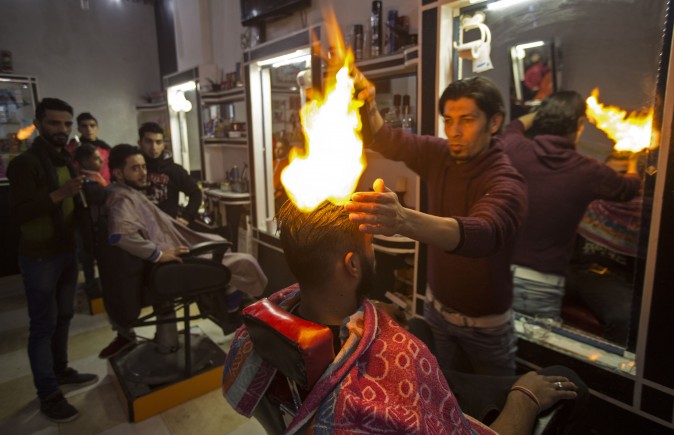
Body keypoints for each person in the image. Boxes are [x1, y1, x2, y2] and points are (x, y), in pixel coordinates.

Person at [222, 200, 579, 434]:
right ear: (351, 264)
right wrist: (524, 397)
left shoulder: (263, 325)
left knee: (425, 333)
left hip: (409, 381)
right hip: (412, 386)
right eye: (370, 245)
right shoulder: (401, 360)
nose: (373, 251)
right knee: (563, 377)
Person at [346, 75, 528, 376]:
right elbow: (385, 138)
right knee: (439, 396)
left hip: (486, 328)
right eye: (449, 120)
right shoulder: (440, 154)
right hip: (436, 313)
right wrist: (367, 103)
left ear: (494, 123)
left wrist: (402, 219)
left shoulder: (506, 180)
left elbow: (484, 233)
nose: (454, 132)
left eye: (467, 120)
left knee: (495, 406)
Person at [97, 144, 267, 357]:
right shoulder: (122, 199)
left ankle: (227, 303)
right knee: (245, 261)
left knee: (221, 244)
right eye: (135, 168)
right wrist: (158, 254)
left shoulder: (122, 192)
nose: (143, 173)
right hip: (170, 259)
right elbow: (119, 235)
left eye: (143, 167)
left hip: (164, 255)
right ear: (118, 173)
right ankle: (234, 310)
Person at [499, 91, 641, 320]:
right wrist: (634, 160)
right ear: (580, 124)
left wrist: (541, 113)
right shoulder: (587, 170)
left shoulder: (516, 150)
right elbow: (628, 188)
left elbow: (512, 127)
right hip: (541, 286)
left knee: (499, 351)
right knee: (536, 355)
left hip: (499, 276)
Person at [7, 98, 99, 423]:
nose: (61, 130)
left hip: (65, 252)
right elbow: (18, 214)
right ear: (38, 123)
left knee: (63, 317)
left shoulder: (65, 158)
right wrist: (60, 194)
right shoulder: (24, 163)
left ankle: (61, 371)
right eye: (54, 123)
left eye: (66, 124)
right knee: (42, 327)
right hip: (39, 256)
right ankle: (48, 393)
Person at [137, 122, 202, 226]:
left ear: (163, 144)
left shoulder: (174, 170)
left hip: (167, 229)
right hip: (141, 227)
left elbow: (196, 193)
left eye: (158, 142)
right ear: (140, 143)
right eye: (148, 142)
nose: (154, 147)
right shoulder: (135, 169)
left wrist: (186, 217)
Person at [73, 143, 109, 298]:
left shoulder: (94, 177)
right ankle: (94, 292)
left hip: (93, 228)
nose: (101, 161)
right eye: (96, 159)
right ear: (85, 161)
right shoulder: (87, 182)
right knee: (91, 264)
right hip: (91, 229)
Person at [66, 112, 112, 184]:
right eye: (84, 126)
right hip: (83, 185)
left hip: (106, 184)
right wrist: (73, 151)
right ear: (79, 129)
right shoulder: (73, 146)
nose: (88, 129)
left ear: (97, 128)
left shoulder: (105, 148)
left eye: (92, 126)